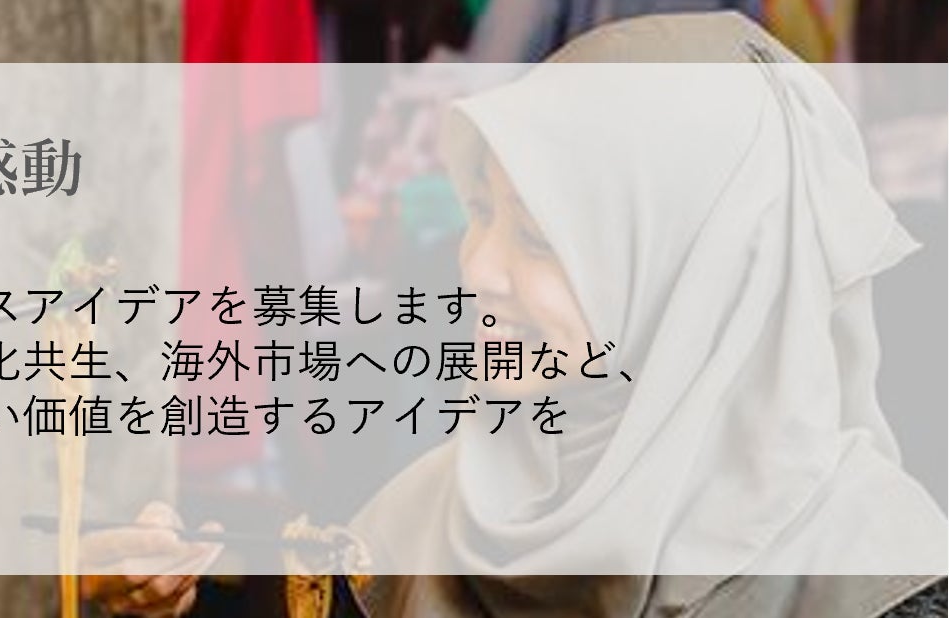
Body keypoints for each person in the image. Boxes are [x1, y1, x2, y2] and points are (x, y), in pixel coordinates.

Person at [343, 11, 946, 617]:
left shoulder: (869, 568)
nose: (479, 270)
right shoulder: (410, 528)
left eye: (537, 238)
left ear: (692, 276)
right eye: (481, 211)